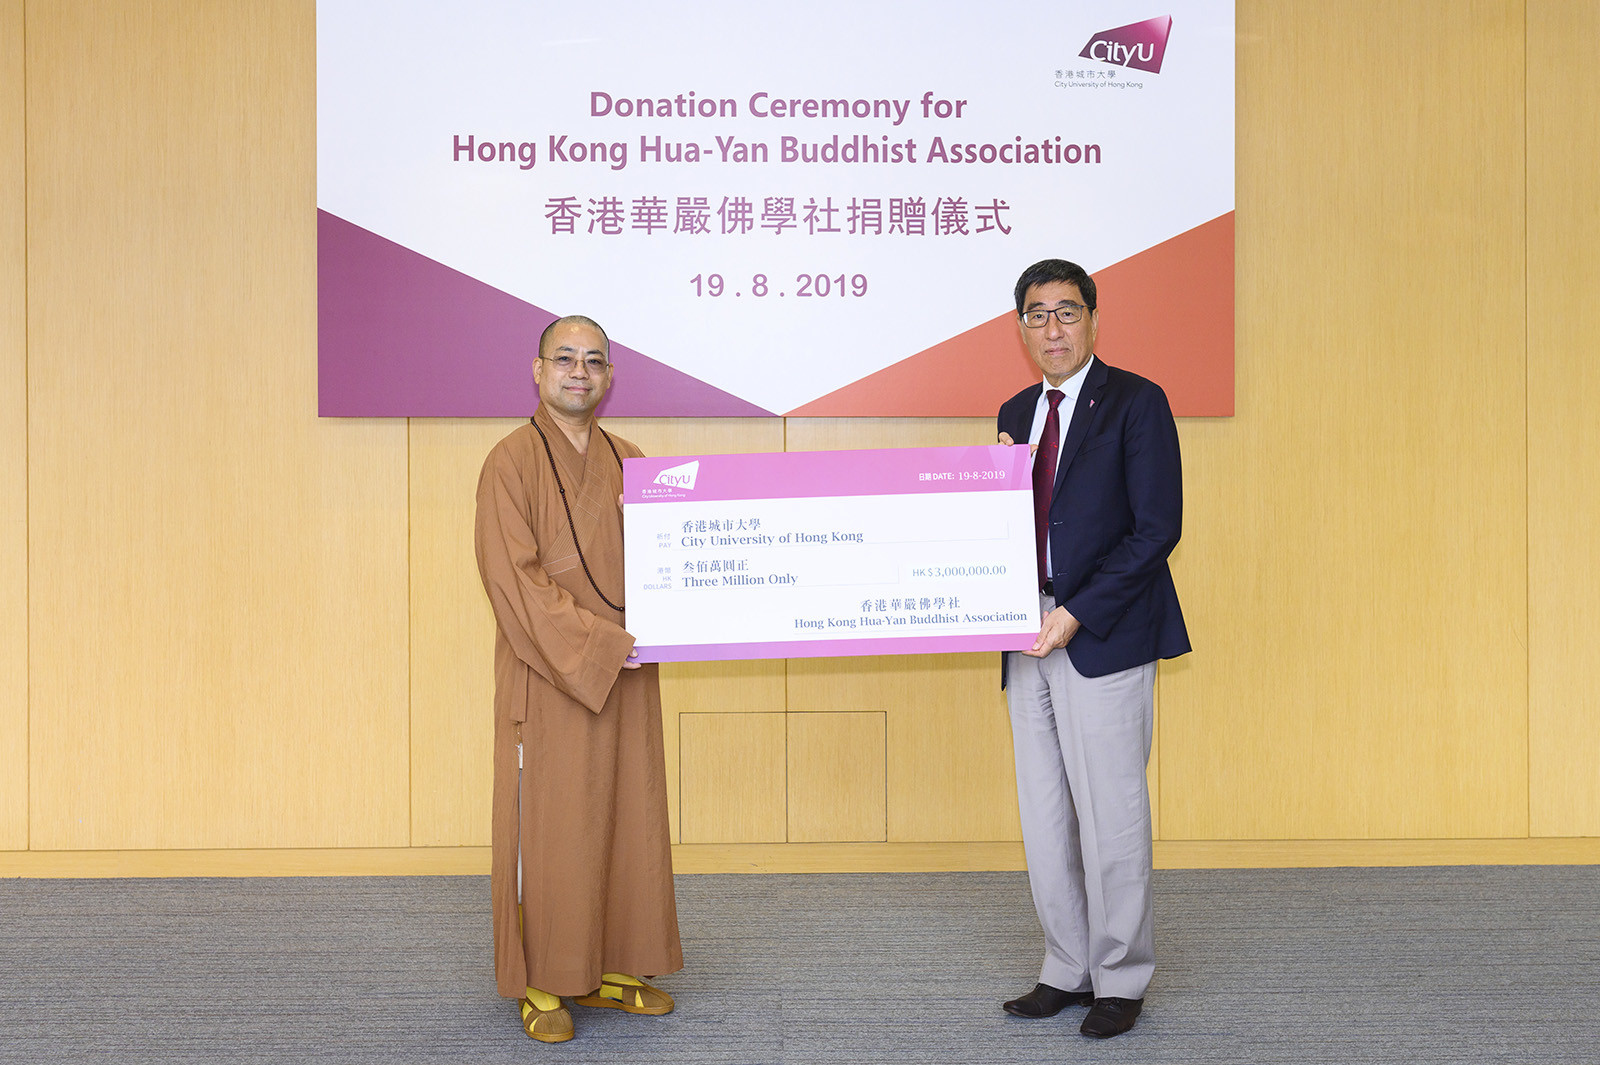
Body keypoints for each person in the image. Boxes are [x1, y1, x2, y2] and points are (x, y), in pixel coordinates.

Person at [474, 315, 682, 1043]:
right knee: (555, 824)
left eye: (594, 361)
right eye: (564, 359)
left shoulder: (631, 460)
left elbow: (669, 561)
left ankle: (611, 966)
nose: (579, 372)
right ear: (537, 371)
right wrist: (596, 646)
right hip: (555, 669)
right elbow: (515, 582)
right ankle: (543, 980)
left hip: (626, 666)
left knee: (625, 811)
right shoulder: (509, 462)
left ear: (610, 377)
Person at [995, 259, 1190, 1039]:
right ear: (1020, 327)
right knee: (1044, 812)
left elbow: (1157, 529)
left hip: (1100, 629)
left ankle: (1122, 973)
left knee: (1111, 811)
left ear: (1094, 319)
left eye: (1067, 313)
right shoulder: (1014, 407)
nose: (1052, 329)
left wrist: (1074, 611)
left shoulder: (1137, 402)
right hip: (1023, 630)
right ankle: (1064, 965)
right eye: (1037, 315)